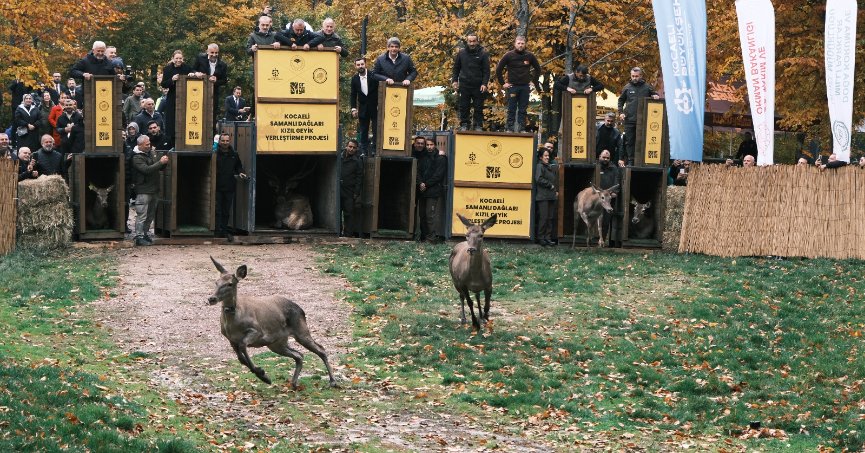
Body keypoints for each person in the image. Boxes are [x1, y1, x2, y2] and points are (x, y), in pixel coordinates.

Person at [495, 36, 542, 133]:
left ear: (525, 44)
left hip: (525, 86)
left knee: (523, 109)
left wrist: (534, 81)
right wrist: (503, 83)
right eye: (518, 43)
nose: (520, 45)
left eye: (522, 43)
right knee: (511, 108)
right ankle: (509, 128)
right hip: (512, 86)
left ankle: (522, 129)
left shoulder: (530, 56)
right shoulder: (508, 55)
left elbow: (538, 69)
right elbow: (498, 69)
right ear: (515, 44)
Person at [130, 135, 169, 246]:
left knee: (150, 214)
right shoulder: (136, 157)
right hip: (143, 190)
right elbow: (146, 170)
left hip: (153, 189)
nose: (149, 146)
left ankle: (145, 234)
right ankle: (139, 236)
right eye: (146, 144)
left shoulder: (150, 153)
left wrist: (164, 163)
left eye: (149, 143)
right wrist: (160, 162)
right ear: (139, 145)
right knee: (142, 214)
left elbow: (157, 167)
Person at [617, 67, 659, 166]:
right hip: (630, 119)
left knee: (642, 140)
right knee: (629, 141)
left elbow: (655, 95)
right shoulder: (627, 87)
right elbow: (621, 100)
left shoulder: (647, 87)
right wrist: (621, 112)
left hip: (643, 120)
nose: (634, 78)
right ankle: (631, 161)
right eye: (633, 76)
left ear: (641, 76)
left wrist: (655, 96)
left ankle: (642, 161)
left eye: (636, 76)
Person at [451, 33, 490, 131]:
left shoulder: (483, 53)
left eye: (474, 41)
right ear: (467, 42)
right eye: (470, 41)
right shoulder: (461, 53)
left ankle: (478, 125)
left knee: (478, 107)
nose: (472, 43)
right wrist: (455, 81)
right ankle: (464, 124)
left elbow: (486, 71)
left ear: (477, 41)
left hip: (478, 85)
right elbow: (456, 68)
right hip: (464, 84)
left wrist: (484, 84)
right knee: (464, 106)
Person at [214, 133, 247, 239]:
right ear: (219, 142)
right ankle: (216, 230)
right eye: (223, 141)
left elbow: (239, 166)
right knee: (217, 210)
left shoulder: (234, 154)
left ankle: (224, 231)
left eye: (227, 141)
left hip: (229, 186)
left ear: (229, 141)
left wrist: (241, 172)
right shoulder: (214, 153)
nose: (225, 143)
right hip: (217, 186)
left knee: (226, 211)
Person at [159, 50, 194, 147]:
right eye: (177, 58)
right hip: (172, 97)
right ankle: (171, 141)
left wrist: (192, 74)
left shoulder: (187, 68)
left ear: (183, 59)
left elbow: (194, 72)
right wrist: (172, 80)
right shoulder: (167, 69)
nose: (178, 60)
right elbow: (164, 84)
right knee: (172, 119)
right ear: (173, 59)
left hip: (185, 96)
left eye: (180, 58)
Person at [192, 43, 229, 131]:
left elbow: (224, 80)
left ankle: (210, 137)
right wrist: (196, 73)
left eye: (216, 53)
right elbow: (192, 69)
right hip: (198, 92)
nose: (214, 55)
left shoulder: (222, 65)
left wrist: (216, 81)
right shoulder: (200, 59)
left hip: (213, 93)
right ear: (207, 52)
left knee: (211, 115)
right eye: (212, 52)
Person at [416, 137, 447, 242]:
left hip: (433, 191)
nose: (429, 147)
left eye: (431, 145)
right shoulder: (423, 157)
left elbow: (438, 175)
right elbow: (417, 171)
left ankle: (431, 238)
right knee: (422, 215)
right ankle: (424, 237)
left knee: (430, 216)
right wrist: (420, 183)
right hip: (423, 190)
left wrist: (426, 184)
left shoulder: (441, 158)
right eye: (427, 145)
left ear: (435, 145)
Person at [349, 58, 378, 155]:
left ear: (365, 64)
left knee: (376, 130)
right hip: (363, 109)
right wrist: (353, 109)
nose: (360, 66)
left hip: (376, 108)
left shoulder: (373, 76)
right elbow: (353, 94)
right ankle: (364, 151)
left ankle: (375, 150)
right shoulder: (354, 79)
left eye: (362, 64)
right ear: (355, 66)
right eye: (358, 65)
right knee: (363, 131)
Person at [597, 149, 622, 244]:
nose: (605, 159)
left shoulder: (614, 168)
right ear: (599, 157)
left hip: (609, 200)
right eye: (604, 157)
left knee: (606, 221)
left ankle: (602, 240)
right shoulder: (596, 167)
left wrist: (615, 192)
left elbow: (617, 182)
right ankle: (594, 240)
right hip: (597, 199)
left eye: (607, 158)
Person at [339, 139, 364, 237]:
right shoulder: (339, 157)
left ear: (356, 149)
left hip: (349, 191)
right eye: (350, 146)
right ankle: (338, 233)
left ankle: (348, 234)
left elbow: (359, 177)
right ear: (346, 146)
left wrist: (356, 192)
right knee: (337, 212)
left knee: (348, 213)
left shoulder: (357, 161)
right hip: (338, 189)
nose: (351, 149)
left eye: (354, 147)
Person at [534, 148, 558, 246]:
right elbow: (538, 179)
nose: (547, 157)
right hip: (543, 196)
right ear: (541, 157)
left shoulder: (548, 166)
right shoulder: (540, 166)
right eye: (545, 156)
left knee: (550, 218)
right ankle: (540, 238)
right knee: (543, 218)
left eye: (548, 156)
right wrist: (550, 185)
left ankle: (547, 238)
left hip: (551, 196)